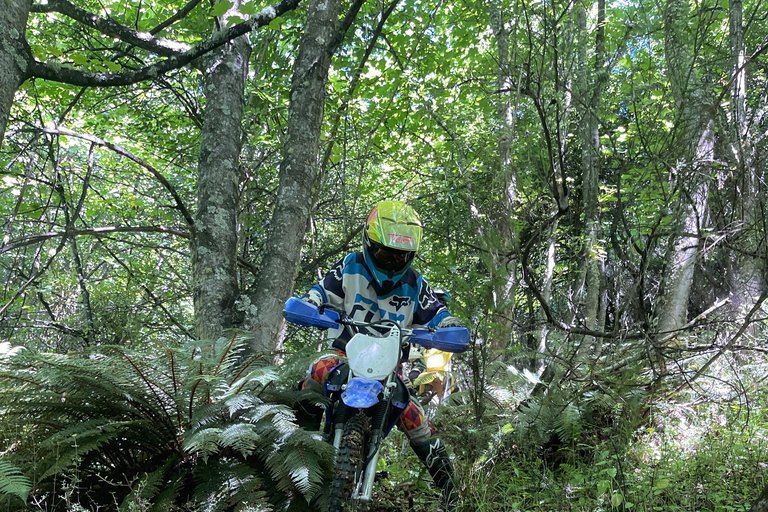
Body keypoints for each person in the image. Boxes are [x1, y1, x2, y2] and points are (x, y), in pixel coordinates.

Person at [297, 200, 461, 510]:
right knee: (316, 371)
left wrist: (448, 325)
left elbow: (436, 312)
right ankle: (300, 449)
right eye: (385, 253)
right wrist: (309, 304)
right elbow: (319, 292)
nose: (391, 261)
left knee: (416, 420)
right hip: (343, 355)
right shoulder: (350, 266)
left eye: (400, 256)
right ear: (370, 243)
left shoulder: (415, 283)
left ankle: (452, 494)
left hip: (389, 370)